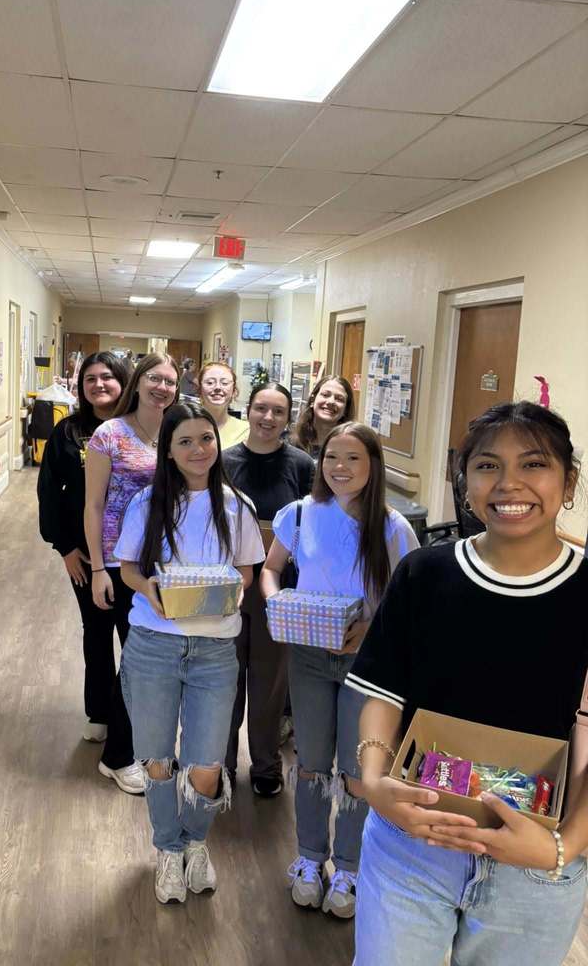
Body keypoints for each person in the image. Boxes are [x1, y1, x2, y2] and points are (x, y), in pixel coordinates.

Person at [348, 401, 588, 965]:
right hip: (413, 837)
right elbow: (384, 694)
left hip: (536, 859)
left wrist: (561, 847)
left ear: (568, 480)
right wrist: (376, 780)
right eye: (486, 466)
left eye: (534, 464)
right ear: (465, 480)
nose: (509, 484)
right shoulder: (424, 573)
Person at [261, 422, 419, 917]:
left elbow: (409, 600)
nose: (340, 468)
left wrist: (370, 627)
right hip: (307, 654)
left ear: (373, 466)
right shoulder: (300, 515)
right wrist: (276, 605)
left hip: (366, 665)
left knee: (356, 771)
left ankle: (348, 868)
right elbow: (270, 570)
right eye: (332, 457)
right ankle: (310, 859)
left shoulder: (393, 526)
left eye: (353, 459)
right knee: (310, 763)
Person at [115, 404, 264, 905]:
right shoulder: (146, 503)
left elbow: (245, 572)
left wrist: (225, 594)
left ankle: (196, 842)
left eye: (206, 438)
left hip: (215, 648)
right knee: (156, 758)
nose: (198, 449)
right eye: (185, 441)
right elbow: (129, 569)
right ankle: (167, 850)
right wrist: (151, 588)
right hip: (154, 642)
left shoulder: (236, 506)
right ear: (169, 449)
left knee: (205, 763)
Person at [84, 352, 179, 793]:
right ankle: (117, 756)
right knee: (137, 662)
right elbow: (94, 505)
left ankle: (142, 745)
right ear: (138, 382)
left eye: (171, 382)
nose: (162, 387)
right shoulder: (109, 435)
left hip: (163, 562)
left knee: (154, 660)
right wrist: (99, 567)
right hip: (121, 564)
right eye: (155, 379)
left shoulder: (177, 431)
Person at [222, 382, 315, 796]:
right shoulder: (224, 462)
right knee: (226, 678)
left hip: (279, 588)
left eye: (279, 411)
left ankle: (265, 767)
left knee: (270, 682)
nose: (268, 418)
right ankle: (219, 765)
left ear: (288, 417)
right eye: (261, 408)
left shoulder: (301, 465)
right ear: (249, 410)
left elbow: (314, 524)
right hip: (229, 584)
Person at [37, 352, 131, 758]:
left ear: (123, 381)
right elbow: (48, 492)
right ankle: (100, 712)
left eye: (107, 377)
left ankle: (130, 715)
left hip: (133, 555)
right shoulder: (69, 431)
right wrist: (65, 549)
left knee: (136, 638)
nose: (98, 385)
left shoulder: (138, 427)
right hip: (85, 553)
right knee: (96, 632)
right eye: (90, 379)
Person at [292, 374, 355, 459]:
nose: (331, 401)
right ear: (312, 400)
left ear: (346, 410)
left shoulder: (353, 450)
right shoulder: (290, 443)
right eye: (325, 395)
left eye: (339, 399)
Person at [198, 361, 249, 449]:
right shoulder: (186, 426)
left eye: (224, 383)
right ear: (199, 389)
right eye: (210, 383)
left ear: (234, 391)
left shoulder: (246, 431)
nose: (218, 387)